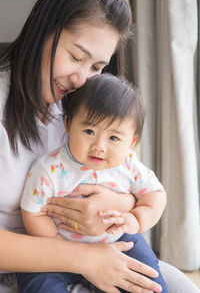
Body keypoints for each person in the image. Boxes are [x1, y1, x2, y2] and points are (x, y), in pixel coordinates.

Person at [0, 0, 199, 292]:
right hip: (26, 264)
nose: (82, 80)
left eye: (96, 67)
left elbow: (131, 179)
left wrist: (122, 205)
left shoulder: (81, 107)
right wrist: (84, 258)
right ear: (42, 30)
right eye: (76, 57)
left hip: (97, 246)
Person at [17, 73, 168, 293]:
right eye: (89, 131)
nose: (99, 146)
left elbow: (156, 194)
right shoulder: (49, 168)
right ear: (68, 125)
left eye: (114, 138)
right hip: (59, 247)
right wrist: (62, 247)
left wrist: (136, 219)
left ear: (132, 141)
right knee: (38, 281)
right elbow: (32, 213)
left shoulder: (129, 165)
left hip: (119, 240)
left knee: (150, 281)